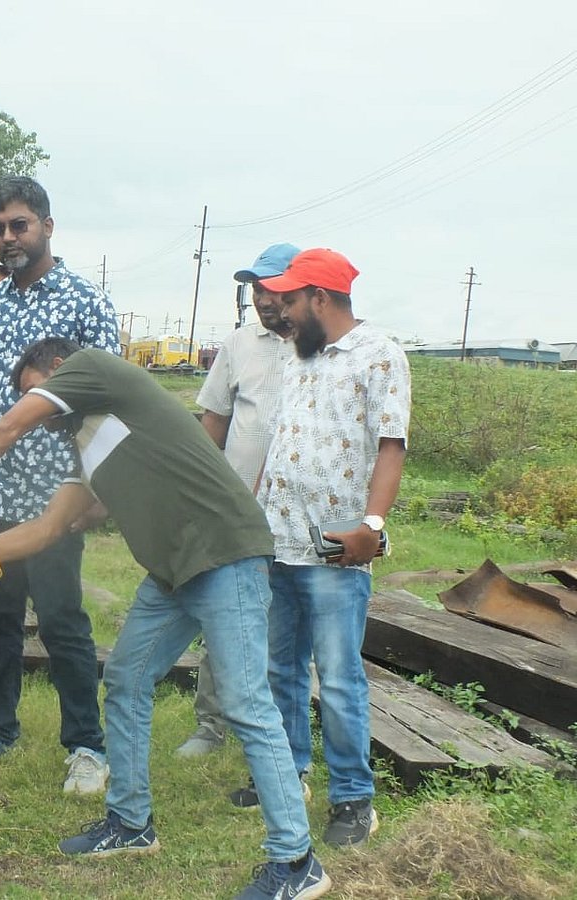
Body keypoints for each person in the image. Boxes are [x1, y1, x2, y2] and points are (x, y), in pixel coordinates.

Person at [0, 338, 330, 900]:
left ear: (58, 371)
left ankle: (297, 862)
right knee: (125, 679)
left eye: (34, 389)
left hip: (223, 554)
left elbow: (6, 429)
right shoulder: (89, 442)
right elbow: (48, 529)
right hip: (172, 573)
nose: (37, 408)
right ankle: (130, 824)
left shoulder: (95, 368)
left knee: (245, 701)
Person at [0, 177, 119, 797]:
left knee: (63, 618)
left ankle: (87, 747)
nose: (9, 237)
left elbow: (109, 402)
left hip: (55, 494)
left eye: (19, 224)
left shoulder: (86, 303)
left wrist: (97, 488)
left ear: (46, 225)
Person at [253, 248, 410, 847]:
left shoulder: (380, 356)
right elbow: (282, 440)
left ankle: (353, 798)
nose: (282, 311)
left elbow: (391, 445)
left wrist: (372, 523)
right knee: (280, 667)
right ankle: (288, 773)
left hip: (333, 547)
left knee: (339, 677)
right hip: (278, 538)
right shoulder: (299, 356)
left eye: (290, 300)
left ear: (320, 297)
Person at [178, 243, 298, 759]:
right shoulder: (238, 345)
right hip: (238, 509)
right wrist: (205, 496)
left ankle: (276, 730)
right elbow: (214, 423)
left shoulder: (318, 345)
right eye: (256, 289)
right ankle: (211, 724)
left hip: (299, 514)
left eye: (272, 287)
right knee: (225, 609)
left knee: (288, 620)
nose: (263, 299)